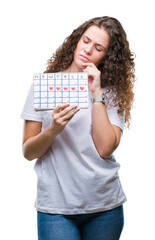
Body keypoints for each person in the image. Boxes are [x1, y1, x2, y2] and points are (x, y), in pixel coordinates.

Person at [21, 16, 135, 240]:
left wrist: (96, 93)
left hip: (104, 206)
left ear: (107, 56)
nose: (88, 50)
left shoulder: (110, 93)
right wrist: (52, 130)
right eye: (86, 41)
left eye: (98, 47)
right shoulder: (44, 86)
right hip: (55, 208)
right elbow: (28, 152)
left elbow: (105, 149)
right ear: (76, 40)